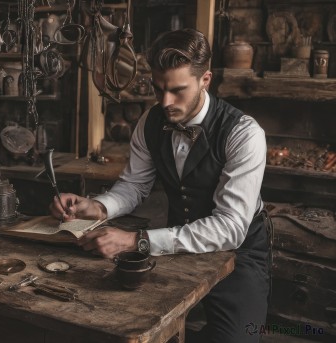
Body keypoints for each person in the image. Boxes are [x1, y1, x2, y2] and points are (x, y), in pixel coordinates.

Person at [50, 28, 270, 343]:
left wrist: (137, 240)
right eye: (158, 88)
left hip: (239, 252)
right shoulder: (150, 122)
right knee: (125, 323)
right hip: (175, 243)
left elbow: (230, 227)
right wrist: (97, 206)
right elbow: (134, 186)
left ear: (205, 80)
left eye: (178, 90)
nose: (165, 102)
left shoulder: (244, 133)